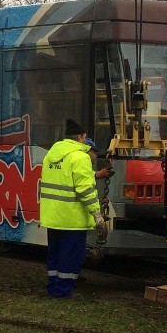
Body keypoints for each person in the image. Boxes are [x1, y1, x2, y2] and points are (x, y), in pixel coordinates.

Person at [39, 119, 108, 298]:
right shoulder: (80, 157)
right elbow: (85, 190)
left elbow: (61, 181)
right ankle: (62, 292)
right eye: (85, 138)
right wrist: (97, 215)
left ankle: (53, 288)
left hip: (53, 216)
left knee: (54, 254)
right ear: (80, 137)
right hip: (72, 219)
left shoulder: (50, 156)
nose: (85, 141)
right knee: (71, 256)